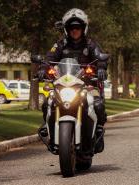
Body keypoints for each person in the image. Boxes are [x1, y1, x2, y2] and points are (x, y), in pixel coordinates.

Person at [38, 8, 109, 153]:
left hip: (87, 85)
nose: (74, 30)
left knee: (98, 103)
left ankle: (98, 132)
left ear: (83, 28)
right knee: (47, 103)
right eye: (71, 28)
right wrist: (42, 69)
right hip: (63, 84)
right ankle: (48, 127)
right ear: (66, 29)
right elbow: (49, 59)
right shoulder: (60, 44)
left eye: (78, 27)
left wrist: (101, 68)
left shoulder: (90, 44)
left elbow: (99, 57)